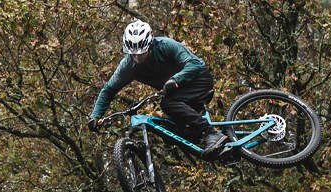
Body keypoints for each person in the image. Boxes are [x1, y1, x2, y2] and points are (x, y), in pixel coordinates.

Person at [87, 19, 227, 156]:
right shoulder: (128, 66)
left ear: (150, 43)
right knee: (172, 131)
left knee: (167, 104)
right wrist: (95, 116)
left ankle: (211, 133)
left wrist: (176, 79)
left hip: (198, 81)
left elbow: (196, 64)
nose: (137, 56)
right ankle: (221, 150)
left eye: (141, 52)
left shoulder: (166, 46)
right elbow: (109, 90)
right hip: (178, 94)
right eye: (133, 52)